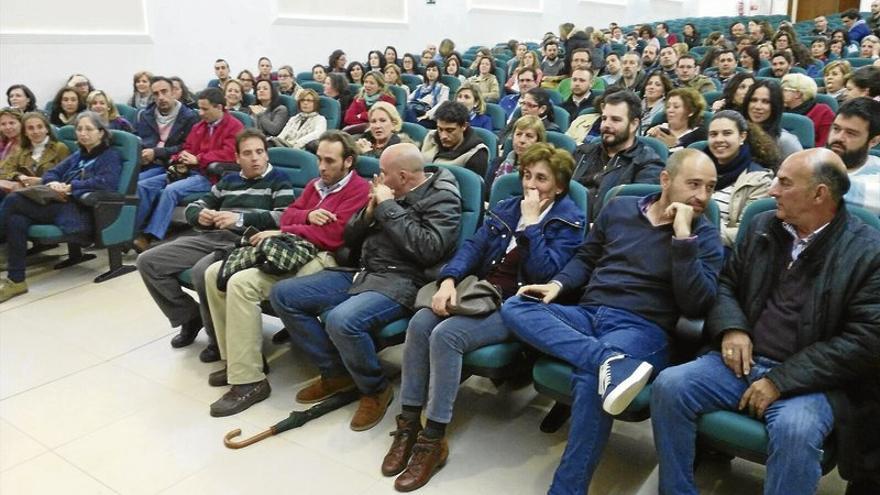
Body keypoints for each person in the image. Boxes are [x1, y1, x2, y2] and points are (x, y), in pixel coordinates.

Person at [651, 148, 880, 495]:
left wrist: (780, 380)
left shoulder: (868, 251)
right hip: (742, 361)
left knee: (796, 431)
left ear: (819, 194)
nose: (772, 190)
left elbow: (863, 342)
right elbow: (726, 284)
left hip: (809, 380)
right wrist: (732, 328)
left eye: (785, 183)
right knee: (670, 386)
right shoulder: (762, 226)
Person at [501, 148, 723, 495]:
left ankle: (567, 489)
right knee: (517, 306)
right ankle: (605, 359)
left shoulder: (703, 235)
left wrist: (683, 238)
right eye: (694, 184)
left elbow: (697, 303)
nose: (702, 196)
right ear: (665, 180)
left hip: (643, 329)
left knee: (594, 380)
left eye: (710, 187)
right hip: (590, 314)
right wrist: (557, 284)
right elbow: (587, 258)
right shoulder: (619, 208)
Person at [382, 143, 586, 491]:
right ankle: (408, 423)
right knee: (420, 323)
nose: (530, 185)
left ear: (559, 186)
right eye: (526, 175)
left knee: (447, 335)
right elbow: (472, 247)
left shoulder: (570, 222)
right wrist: (448, 281)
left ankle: (433, 438)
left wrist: (533, 225)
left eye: (541, 178)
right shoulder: (507, 207)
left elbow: (544, 274)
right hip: (478, 291)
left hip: (519, 305)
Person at [269, 143, 462, 431]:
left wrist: (388, 207)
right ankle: (337, 372)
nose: (380, 178)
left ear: (405, 176)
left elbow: (428, 249)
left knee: (341, 320)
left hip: (404, 279)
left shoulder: (443, 199)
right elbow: (350, 236)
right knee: (284, 294)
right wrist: (370, 211)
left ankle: (374, 388)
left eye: (385, 173)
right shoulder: (390, 192)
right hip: (364, 270)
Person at [203, 131, 370, 417]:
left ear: (348, 162)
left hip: (324, 258)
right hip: (292, 248)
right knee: (213, 273)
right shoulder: (316, 185)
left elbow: (333, 235)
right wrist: (306, 217)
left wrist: (286, 230)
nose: (322, 167)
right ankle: (239, 362)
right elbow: (290, 212)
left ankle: (250, 382)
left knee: (242, 284)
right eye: (319, 159)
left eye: (330, 161)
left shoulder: (358, 190)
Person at [137, 128, 293, 361]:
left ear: (267, 155)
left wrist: (239, 218)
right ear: (237, 158)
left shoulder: (279, 180)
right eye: (248, 153)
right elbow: (198, 204)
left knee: (202, 272)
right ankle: (189, 317)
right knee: (148, 261)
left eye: (260, 152)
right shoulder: (229, 180)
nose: (255, 158)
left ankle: (217, 340)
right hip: (214, 236)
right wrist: (199, 215)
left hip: (247, 242)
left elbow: (283, 217)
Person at [0, 112, 122, 302]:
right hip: (60, 205)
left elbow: (107, 183)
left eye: (89, 129)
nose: (83, 133)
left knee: (14, 200)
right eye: (79, 129)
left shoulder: (110, 155)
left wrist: (72, 187)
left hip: (79, 213)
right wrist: (53, 184)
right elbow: (51, 174)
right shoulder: (78, 155)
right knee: (17, 220)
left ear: (101, 133)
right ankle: (16, 280)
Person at [133, 88, 243, 252]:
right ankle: (132, 231)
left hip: (209, 176)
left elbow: (229, 154)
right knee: (144, 186)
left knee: (170, 191)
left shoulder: (234, 127)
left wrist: (198, 159)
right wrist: (180, 158)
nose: (200, 113)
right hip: (188, 171)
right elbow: (188, 147)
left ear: (219, 107)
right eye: (200, 108)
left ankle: (149, 236)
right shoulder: (200, 126)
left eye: (205, 109)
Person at [571, 90, 664, 220]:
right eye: (604, 119)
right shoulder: (583, 153)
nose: (606, 125)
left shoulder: (648, 164)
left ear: (634, 124)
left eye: (615, 120)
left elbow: (634, 217)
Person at [705, 111, 775, 247]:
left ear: (742, 136)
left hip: (723, 250)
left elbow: (745, 233)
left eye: (727, 133)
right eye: (713, 134)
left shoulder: (759, 180)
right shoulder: (696, 167)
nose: (719, 139)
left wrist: (701, 232)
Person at [135, 76, 199, 181]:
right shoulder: (145, 115)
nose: (160, 97)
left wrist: (156, 153)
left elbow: (187, 147)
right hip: (145, 163)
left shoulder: (190, 117)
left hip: (170, 165)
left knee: (135, 184)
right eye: (156, 94)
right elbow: (139, 139)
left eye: (164, 92)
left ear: (173, 92)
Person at [826, 97, 880, 215]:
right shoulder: (811, 159)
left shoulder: (877, 173)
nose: (838, 138)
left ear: (874, 141)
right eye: (836, 129)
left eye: (851, 133)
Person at [0, 112, 69, 199]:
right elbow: (3, 171)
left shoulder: (60, 148)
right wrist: (19, 176)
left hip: (49, 195)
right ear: (25, 132)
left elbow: (67, 176)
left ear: (47, 129)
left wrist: (41, 181)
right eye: (30, 128)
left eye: (40, 127)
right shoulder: (22, 150)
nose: (36, 131)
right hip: (25, 194)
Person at [421, 101, 490, 178]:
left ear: (464, 126)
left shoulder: (476, 153)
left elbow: (472, 188)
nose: (443, 136)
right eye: (440, 129)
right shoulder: (430, 137)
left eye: (450, 130)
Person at [743, 79, 803, 159]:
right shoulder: (737, 134)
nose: (757, 106)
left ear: (775, 106)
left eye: (766, 102)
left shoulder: (786, 141)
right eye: (753, 100)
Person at [645, 87, 708, 152]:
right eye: (668, 106)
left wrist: (675, 144)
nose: (670, 110)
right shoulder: (657, 127)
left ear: (691, 111)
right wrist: (649, 138)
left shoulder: (700, 135)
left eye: (676, 107)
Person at [781, 74, 835, 147]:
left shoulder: (823, 112)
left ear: (798, 94)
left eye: (784, 90)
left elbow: (824, 144)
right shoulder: (779, 109)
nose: (779, 93)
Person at [489, 114, 546, 184]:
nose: (522, 140)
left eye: (529, 136)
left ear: (538, 141)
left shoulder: (543, 171)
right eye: (518, 134)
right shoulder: (497, 163)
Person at [405, 61, 450, 128]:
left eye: (434, 70)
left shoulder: (444, 89)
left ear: (439, 73)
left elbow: (441, 104)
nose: (431, 72)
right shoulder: (420, 87)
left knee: (409, 114)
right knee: (406, 109)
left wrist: (427, 115)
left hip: (430, 118)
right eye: (428, 70)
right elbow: (408, 100)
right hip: (414, 112)